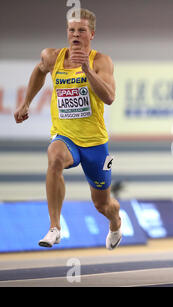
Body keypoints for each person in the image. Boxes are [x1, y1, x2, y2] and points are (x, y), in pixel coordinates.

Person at [14, 8, 122, 250]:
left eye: (81, 30)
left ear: (91, 34)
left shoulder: (100, 61)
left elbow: (110, 97)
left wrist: (86, 71)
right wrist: (26, 102)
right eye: (71, 30)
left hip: (95, 144)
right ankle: (55, 228)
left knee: (103, 205)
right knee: (54, 157)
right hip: (66, 137)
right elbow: (39, 71)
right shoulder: (53, 57)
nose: (75, 35)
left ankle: (115, 222)